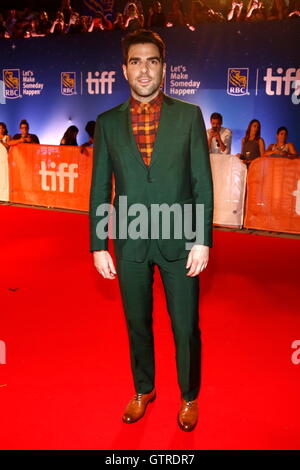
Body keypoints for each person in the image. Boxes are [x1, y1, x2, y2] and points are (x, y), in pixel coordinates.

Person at [89, 29, 214, 432]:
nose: (145, 69)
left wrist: (202, 239)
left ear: (164, 67)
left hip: (180, 241)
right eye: (136, 61)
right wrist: (98, 244)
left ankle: (189, 396)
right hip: (129, 243)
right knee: (137, 323)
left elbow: (202, 184)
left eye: (153, 61)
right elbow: (99, 188)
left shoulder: (188, 115)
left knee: (185, 325)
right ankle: (144, 389)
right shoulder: (107, 123)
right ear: (124, 70)